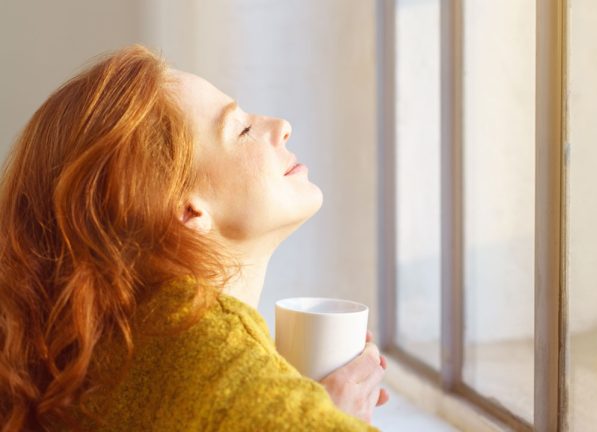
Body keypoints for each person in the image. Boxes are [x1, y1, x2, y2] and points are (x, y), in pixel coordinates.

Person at [0, 44, 388, 431]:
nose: (281, 125)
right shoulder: (218, 366)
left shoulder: (114, 339)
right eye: (243, 129)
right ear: (187, 209)